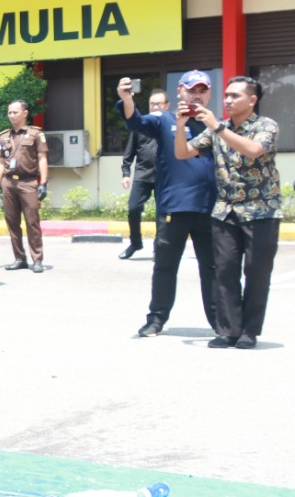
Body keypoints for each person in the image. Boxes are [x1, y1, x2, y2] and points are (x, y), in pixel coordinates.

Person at [176, 75, 282, 349]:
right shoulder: (215, 130)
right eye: (226, 96)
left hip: (261, 212)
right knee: (224, 272)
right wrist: (180, 125)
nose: (228, 100)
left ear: (252, 100)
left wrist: (218, 127)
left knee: (256, 273)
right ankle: (228, 330)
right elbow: (182, 153)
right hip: (225, 211)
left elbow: (254, 150)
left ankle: (249, 330)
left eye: (235, 96)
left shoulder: (265, 126)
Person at [118, 72, 218, 339]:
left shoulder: (215, 124)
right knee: (165, 266)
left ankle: (220, 321)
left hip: (209, 208)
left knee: (212, 268)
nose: (196, 95)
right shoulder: (164, 119)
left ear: (208, 93)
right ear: (179, 92)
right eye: (191, 89)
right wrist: (127, 99)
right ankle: (156, 319)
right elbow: (135, 122)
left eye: (202, 90)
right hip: (174, 206)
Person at [0, 100, 49, 273]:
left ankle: (37, 259)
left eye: (15, 112)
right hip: (8, 182)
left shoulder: (35, 134)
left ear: (25, 113)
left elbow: (42, 158)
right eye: (9, 112)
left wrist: (44, 183)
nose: (11, 115)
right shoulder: (3, 137)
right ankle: (19, 258)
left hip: (28, 182)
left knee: (32, 222)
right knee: (12, 222)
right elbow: (0, 163)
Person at [119, 87, 169, 259]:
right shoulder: (140, 126)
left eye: (159, 104)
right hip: (143, 173)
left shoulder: (172, 126)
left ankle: (159, 248)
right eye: (152, 104)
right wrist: (126, 173)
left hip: (164, 176)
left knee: (162, 214)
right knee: (133, 208)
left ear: (167, 106)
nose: (155, 107)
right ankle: (135, 243)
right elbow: (129, 152)